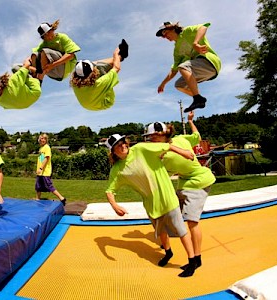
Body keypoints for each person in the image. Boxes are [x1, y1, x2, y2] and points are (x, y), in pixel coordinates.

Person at [105, 134, 197, 277]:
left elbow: (167, 146)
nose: (123, 145)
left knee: (181, 230)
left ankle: (192, 262)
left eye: (123, 142)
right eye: (118, 144)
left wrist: (184, 152)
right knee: (161, 232)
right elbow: (110, 191)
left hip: (167, 197)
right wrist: (115, 206)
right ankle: (168, 253)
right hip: (151, 204)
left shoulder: (141, 149)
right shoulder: (117, 170)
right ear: (113, 151)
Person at [143, 111, 216, 271]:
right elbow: (197, 135)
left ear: (163, 135)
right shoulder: (181, 139)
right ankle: (168, 247)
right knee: (169, 214)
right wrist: (190, 121)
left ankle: (197, 259)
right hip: (184, 184)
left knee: (192, 221)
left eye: (154, 137)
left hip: (199, 181)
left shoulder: (163, 156)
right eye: (150, 138)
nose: (151, 140)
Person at [156, 21, 221, 113]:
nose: (164, 36)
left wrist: (195, 43)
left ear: (172, 28)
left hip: (209, 61)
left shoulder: (186, 31)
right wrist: (163, 83)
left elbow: (204, 26)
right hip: (204, 72)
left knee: (183, 66)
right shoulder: (176, 51)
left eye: (164, 32)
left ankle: (197, 98)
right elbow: (174, 70)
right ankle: (199, 98)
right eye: (162, 36)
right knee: (179, 85)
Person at [69, 39, 128, 111]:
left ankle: (120, 56)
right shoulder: (99, 83)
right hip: (105, 101)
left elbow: (92, 66)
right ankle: (120, 56)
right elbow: (117, 68)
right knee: (101, 69)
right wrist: (116, 54)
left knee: (96, 65)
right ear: (91, 74)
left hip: (87, 103)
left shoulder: (75, 83)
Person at [35, 133, 66, 206]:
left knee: (49, 186)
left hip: (45, 171)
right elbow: (41, 159)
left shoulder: (47, 147)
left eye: (44, 139)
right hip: (40, 172)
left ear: (46, 140)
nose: (43, 140)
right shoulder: (41, 148)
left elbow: (46, 158)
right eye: (41, 138)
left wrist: (40, 168)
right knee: (38, 186)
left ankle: (62, 198)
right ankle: (37, 198)